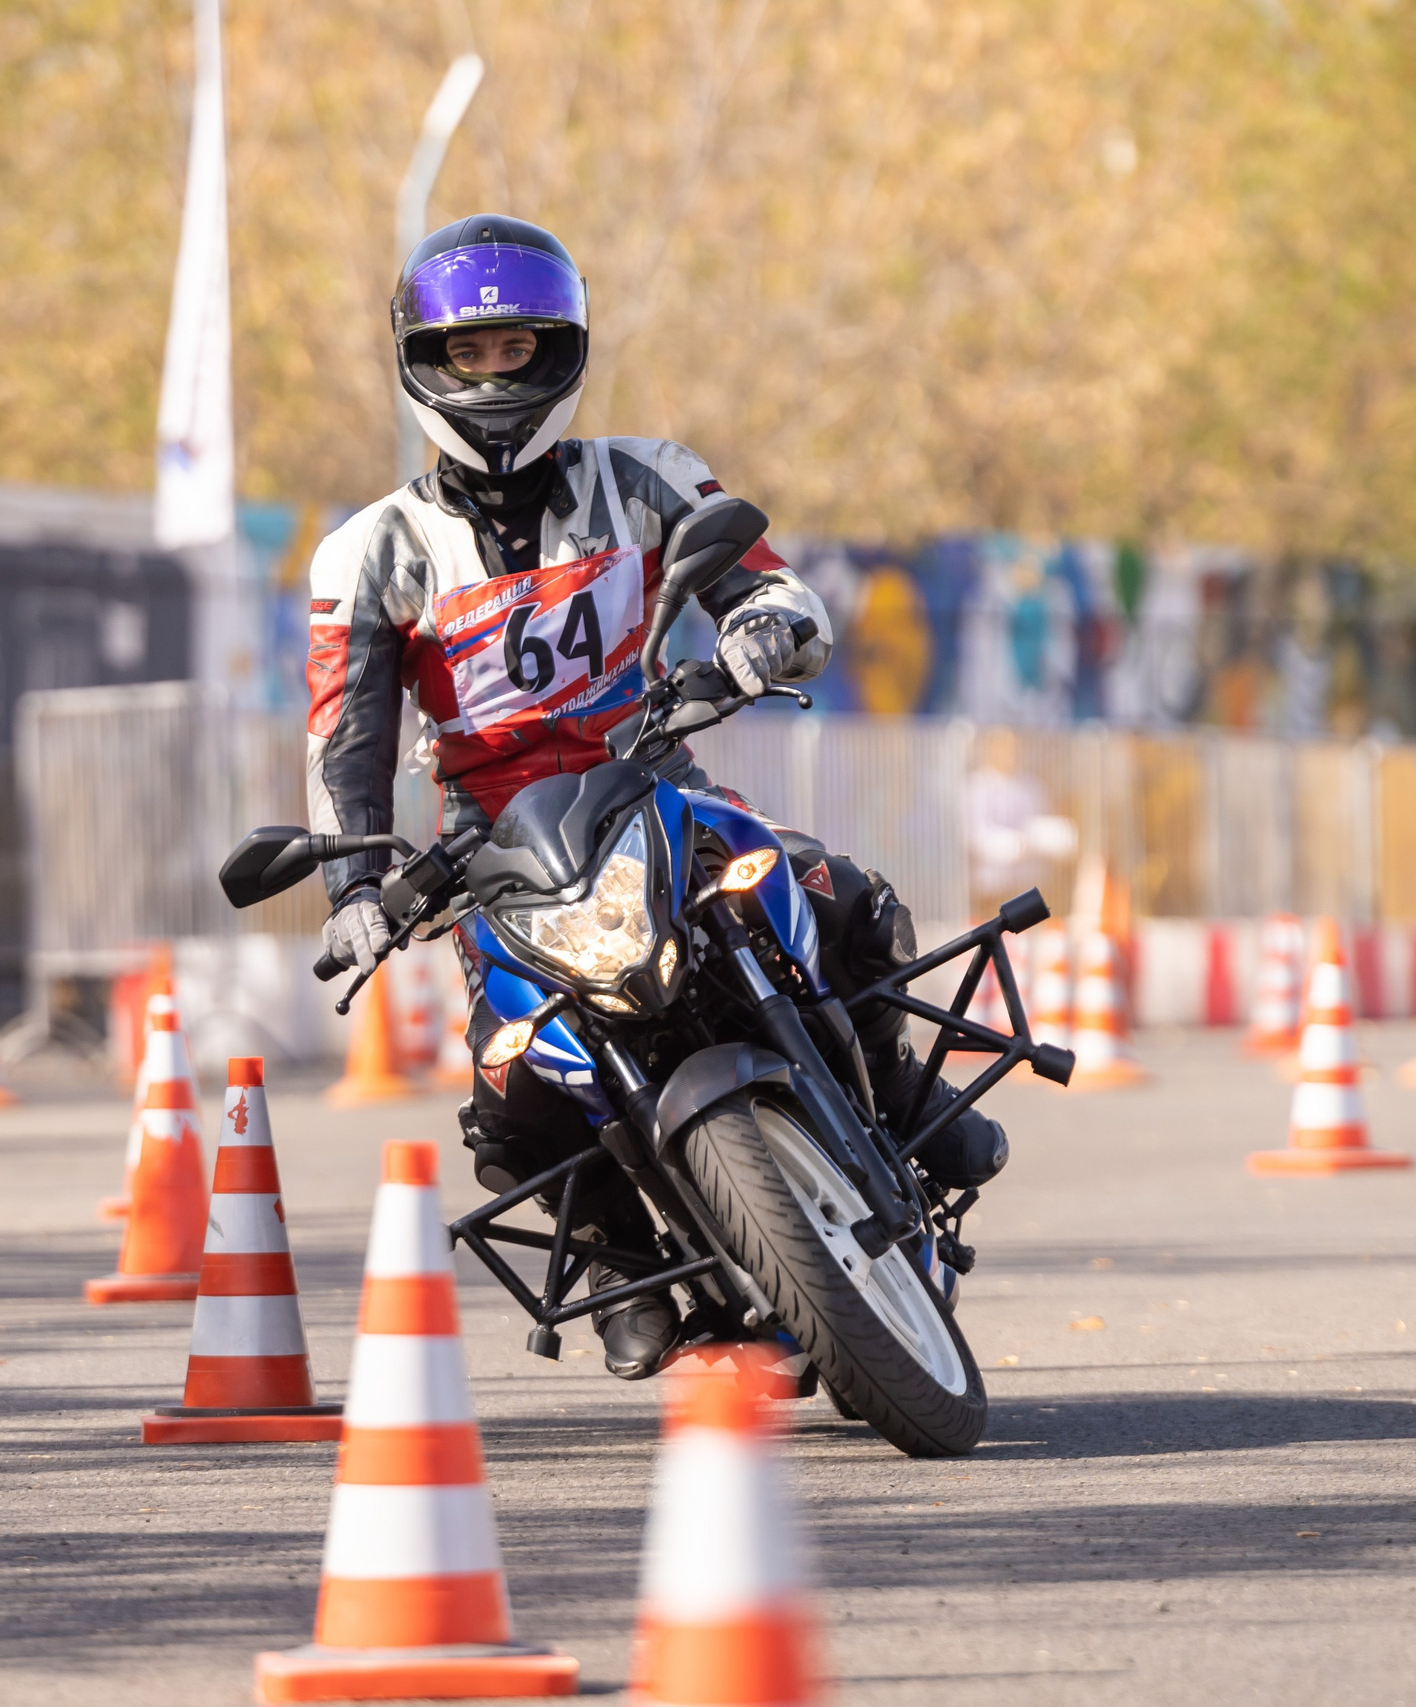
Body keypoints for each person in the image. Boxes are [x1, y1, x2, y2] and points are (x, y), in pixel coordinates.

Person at [305, 214, 1007, 1379]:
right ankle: (624, 1264)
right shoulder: (366, 552)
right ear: (423, 363)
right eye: (466, 354)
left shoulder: (650, 475)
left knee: (841, 898)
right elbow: (346, 737)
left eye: (517, 349)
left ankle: (898, 1097)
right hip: (496, 857)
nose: (491, 375)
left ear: (563, 350)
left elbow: (774, 588)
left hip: (655, 785)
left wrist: (763, 634)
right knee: (509, 1082)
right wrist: (351, 886)